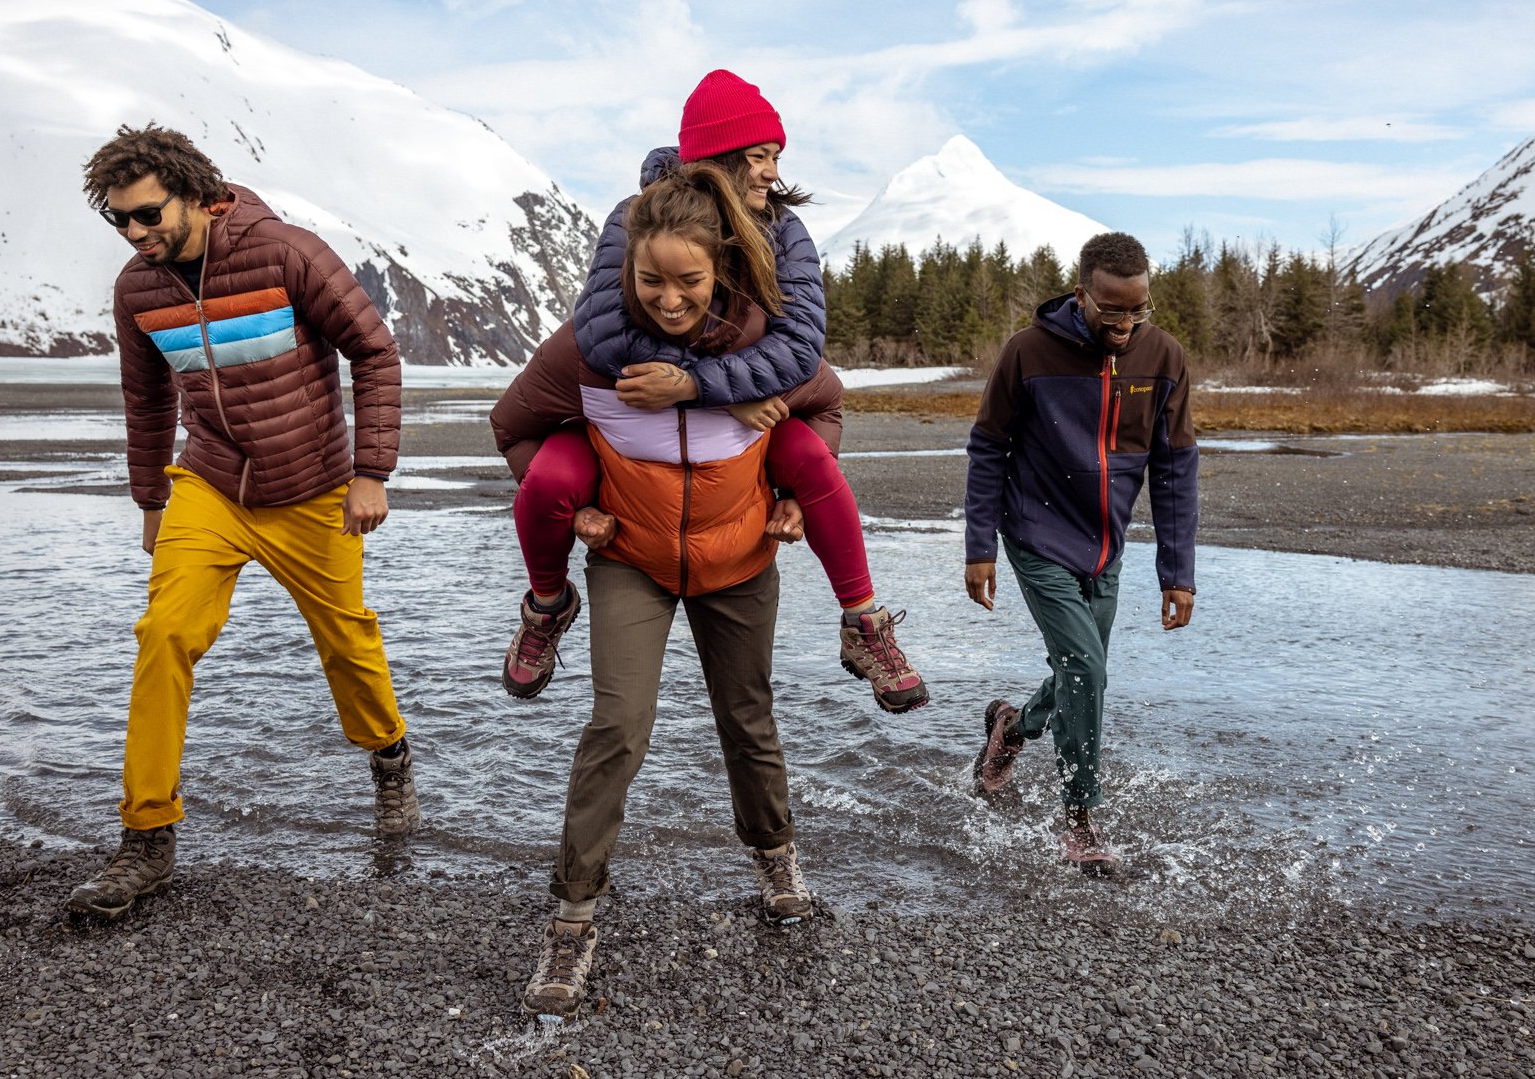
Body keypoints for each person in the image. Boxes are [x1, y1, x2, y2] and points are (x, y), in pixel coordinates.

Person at [490, 164, 825, 1022]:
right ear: (624, 268)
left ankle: (775, 855)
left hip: (741, 556)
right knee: (616, 725)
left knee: (747, 715)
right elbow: (512, 423)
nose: (670, 300)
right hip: (631, 560)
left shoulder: (760, 336)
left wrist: (795, 493)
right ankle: (572, 918)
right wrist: (583, 509)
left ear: (719, 269)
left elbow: (825, 405)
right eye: (650, 281)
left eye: (689, 282)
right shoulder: (586, 349)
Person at [64, 124, 419, 921]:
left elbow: (375, 352)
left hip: (315, 488)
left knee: (347, 641)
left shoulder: (285, 251)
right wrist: (152, 503)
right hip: (210, 484)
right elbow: (147, 399)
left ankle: (389, 757)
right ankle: (146, 838)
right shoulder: (138, 290)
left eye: (148, 215)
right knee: (164, 634)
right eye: (119, 220)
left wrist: (372, 473)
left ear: (195, 194)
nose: (135, 234)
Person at [502, 69, 926, 714]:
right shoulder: (635, 219)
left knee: (808, 457)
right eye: (759, 157)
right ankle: (547, 605)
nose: (771, 174)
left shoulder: (782, 230)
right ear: (719, 160)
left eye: (776, 157)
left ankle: (863, 622)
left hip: (738, 442)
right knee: (556, 479)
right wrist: (707, 390)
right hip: (651, 468)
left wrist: (701, 388)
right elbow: (603, 329)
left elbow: (801, 349)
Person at [964, 231, 1198, 872]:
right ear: (1081, 294)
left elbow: (1175, 469)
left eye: (1138, 308)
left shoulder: (1164, 357)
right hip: (1036, 535)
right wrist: (978, 545)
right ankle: (1080, 821)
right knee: (1088, 672)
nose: (1125, 323)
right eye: (1111, 309)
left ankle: (1011, 728)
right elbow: (988, 446)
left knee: (1078, 671)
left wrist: (1177, 573)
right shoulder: (1028, 353)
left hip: (1107, 546)